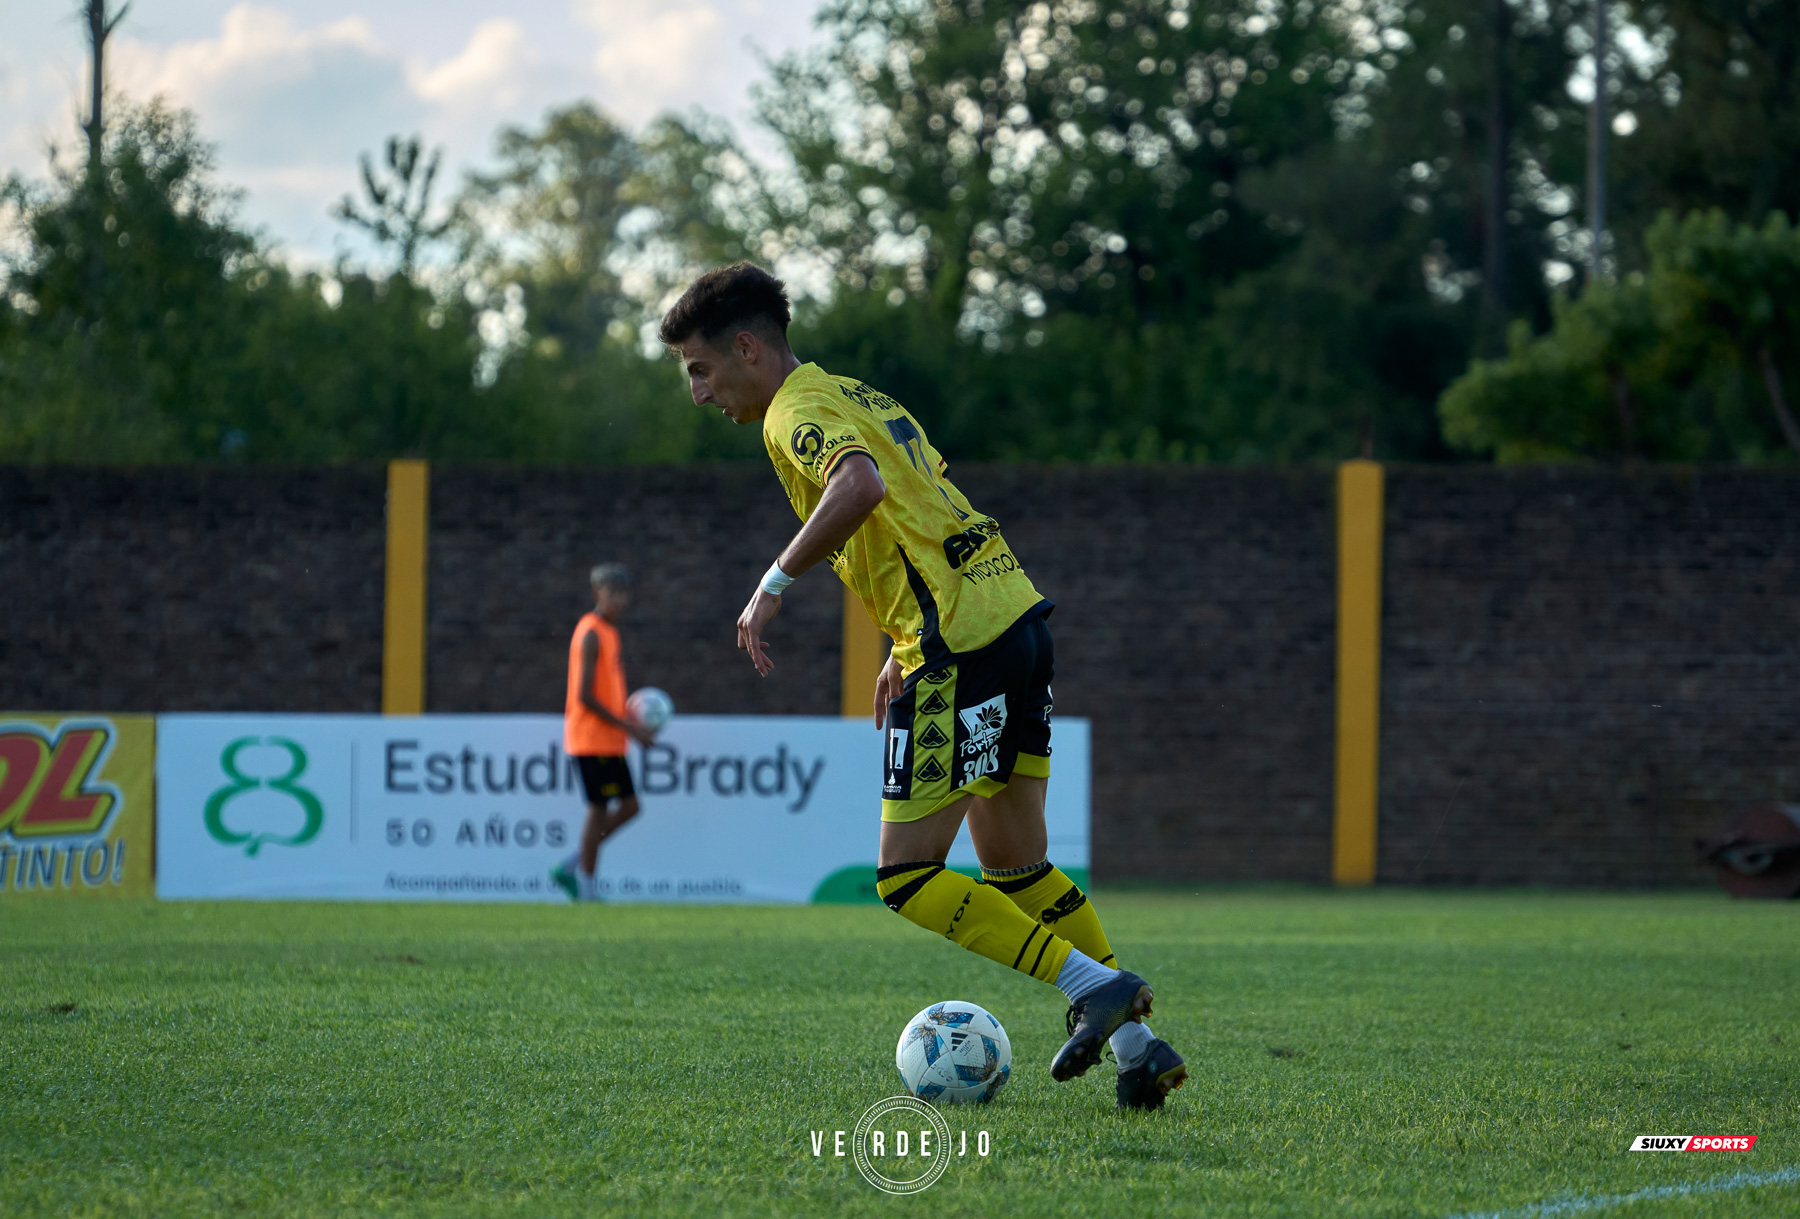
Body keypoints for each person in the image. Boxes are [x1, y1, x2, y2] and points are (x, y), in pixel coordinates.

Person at [657, 263, 1188, 1109]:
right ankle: (1135, 1046)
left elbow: (860, 488)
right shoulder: (857, 392)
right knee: (1017, 866)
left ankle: (1094, 987)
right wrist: (903, 641)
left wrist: (772, 585)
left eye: (699, 367)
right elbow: (920, 502)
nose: (698, 391)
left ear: (746, 348)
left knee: (906, 876)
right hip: (1012, 618)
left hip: (961, 645)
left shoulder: (793, 413)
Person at [553, 563, 655, 902]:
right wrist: (630, 728)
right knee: (598, 809)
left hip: (611, 740)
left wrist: (632, 722)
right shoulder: (591, 632)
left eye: (622, 592)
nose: (618, 599)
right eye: (611, 592)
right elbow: (583, 696)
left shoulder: (611, 632)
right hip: (591, 738)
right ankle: (586, 889)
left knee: (630, 807)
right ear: (598, 592)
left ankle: (572, 866)